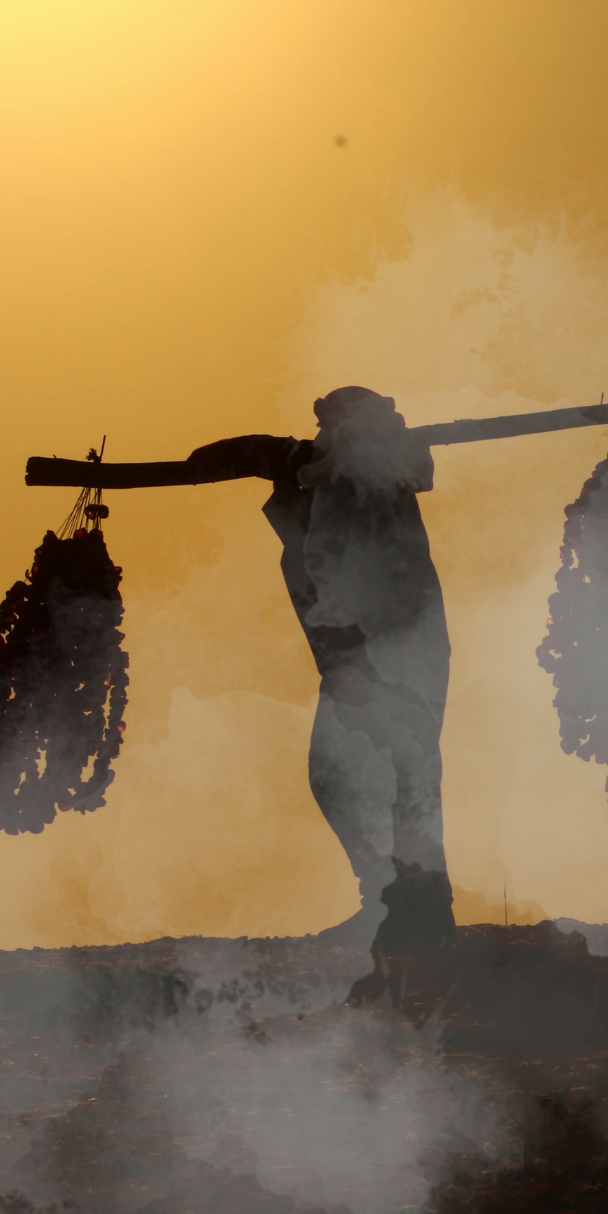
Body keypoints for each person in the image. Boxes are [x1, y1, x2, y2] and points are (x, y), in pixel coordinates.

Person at [185, 388, 456, 955]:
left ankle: (409, 913)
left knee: (391, 777)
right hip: (357, 649)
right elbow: (227, 454)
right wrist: (278, 460)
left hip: (392, 648)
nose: (338, 436)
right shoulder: (316, 470)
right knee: (374, 779)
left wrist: (306, 462)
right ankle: (396, 905)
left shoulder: (384, 477)